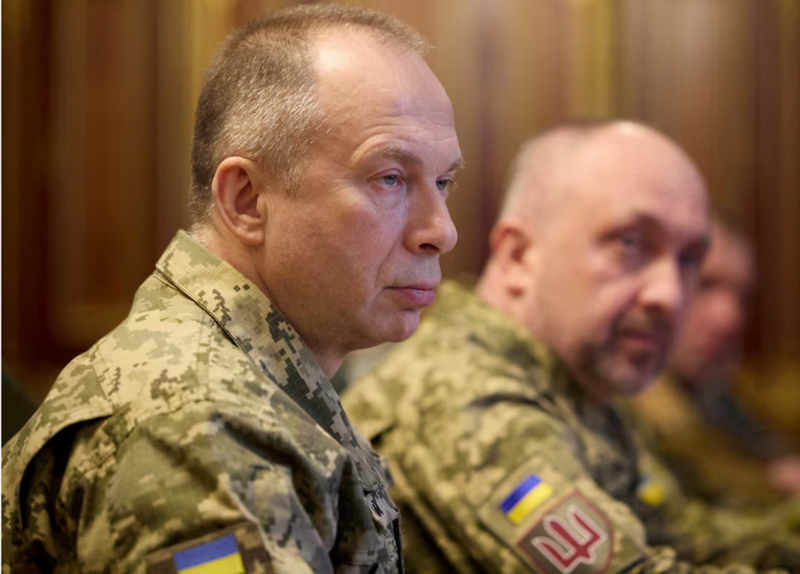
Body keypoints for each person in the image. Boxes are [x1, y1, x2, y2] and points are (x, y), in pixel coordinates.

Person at [1, 5, 461, 573]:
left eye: (444, 182)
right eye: (389, 178)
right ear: (246, 201)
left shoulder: (255, 380)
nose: (442, 231)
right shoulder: (193, 424)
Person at [343, 120, 800, 573]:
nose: (671, 294)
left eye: (688, 260)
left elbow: (689, 538)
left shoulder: (577, 382)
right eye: (630, 242)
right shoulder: (467, 398)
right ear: (520, 255)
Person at [629, 221, 800, 505]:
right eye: (704, 285)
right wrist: (773, 483)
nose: (730, 318)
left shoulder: (715, 387)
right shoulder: (622, 399)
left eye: (743, 297)